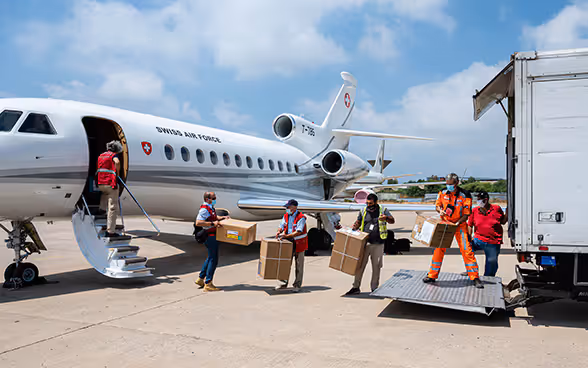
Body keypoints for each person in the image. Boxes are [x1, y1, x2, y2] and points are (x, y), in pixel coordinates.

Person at [423, 173, 484, 288]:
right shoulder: (442, 192)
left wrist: (457, 223)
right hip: (445, 224)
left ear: (456, 183)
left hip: (459, 225)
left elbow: (466, 214)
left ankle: (474, 277)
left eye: (451, 184)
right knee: (438, 249)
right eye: (447, 184)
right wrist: (440, 211)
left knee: (467, 250)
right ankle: (432, 275)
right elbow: (437, 205)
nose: (448, 186)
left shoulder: (465, 195)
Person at [345, 193, 395, 295]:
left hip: (378, 243)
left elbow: (392, 220)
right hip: (365, 243)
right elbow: (359, 221)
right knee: (359, 266)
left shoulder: (382, 210)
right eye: (367, 203)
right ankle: (356, 287)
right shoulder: (363, 210)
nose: (369, 205)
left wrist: (386, 218)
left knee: (376, 267)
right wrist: (355, 226)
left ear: (376, 202)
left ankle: (374, 288)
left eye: (371, 203)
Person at [194, 192, 229, 292]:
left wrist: (221, 218)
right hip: (210, 237)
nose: (215, 199)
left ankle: (201, 279)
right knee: (213, 260)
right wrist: (213, 223)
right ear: (207, 199)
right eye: (213, 198)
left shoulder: (210, 207)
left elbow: (212, 217)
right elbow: (198, 222)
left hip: (213, 236)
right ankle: (208, 283)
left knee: (210, 257)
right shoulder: (204, 209)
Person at [467, 191, 507, 277]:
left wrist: (507, 214)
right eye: (478, 199)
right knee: (466, 250)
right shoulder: (474, 211)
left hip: (493, 242)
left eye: (480, 200)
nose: (479, 201)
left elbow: (503, 221)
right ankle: (472, 271)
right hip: (478, 240)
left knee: (491, 263)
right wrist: (468, 238)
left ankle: (488, 278)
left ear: (486, 200)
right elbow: (470, 225)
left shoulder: (496, 209)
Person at [275, 199, 308, 292]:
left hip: (299, 243)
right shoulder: (286, 216)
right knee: (285, 264)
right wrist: (279, 231)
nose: (287, 208)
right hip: (288, 242)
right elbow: (281, 225)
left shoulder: (301, 217)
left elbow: (298, 231)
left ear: (294, 207)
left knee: (299, 265)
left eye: (288, 207)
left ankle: (297, 285)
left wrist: (286, 235)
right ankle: (283, 283)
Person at [96, 140, 123, 238]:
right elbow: (117, 162)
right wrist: (117, 172)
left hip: (100, 182)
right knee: (113, 207)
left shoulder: (101, 156)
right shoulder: (113, 156)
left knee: (104, 193)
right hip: (110, 183)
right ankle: (110, 231)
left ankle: (102, 209)